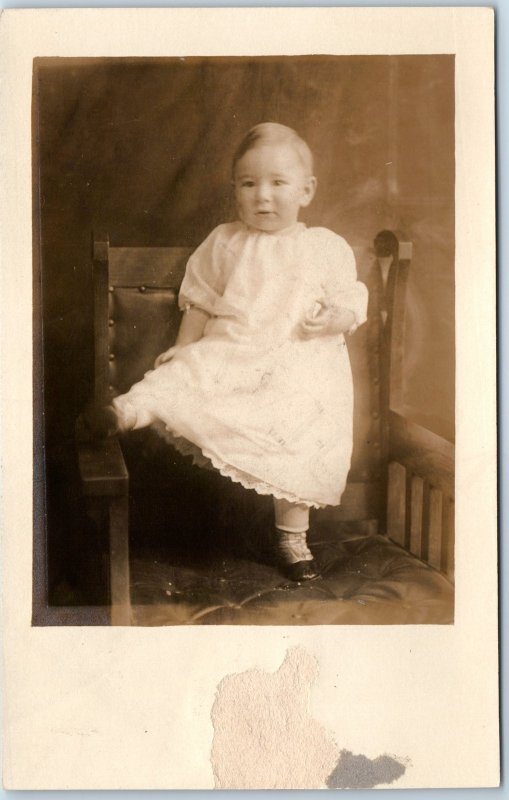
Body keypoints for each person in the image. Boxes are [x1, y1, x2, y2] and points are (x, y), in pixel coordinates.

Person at [82, 122, 368, 581]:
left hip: (294, 364)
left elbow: (352, 299)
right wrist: (182, 347)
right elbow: (200, 300)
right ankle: (123, 412)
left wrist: (336, 317)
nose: (263, 196)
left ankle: (292, 537)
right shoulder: (226, 241)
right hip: (234, 349)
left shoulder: (323, 248)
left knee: (304, 433)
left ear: (306, 190)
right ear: (235, 190)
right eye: (249, 184)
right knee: (183, 373)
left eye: (278, 183)